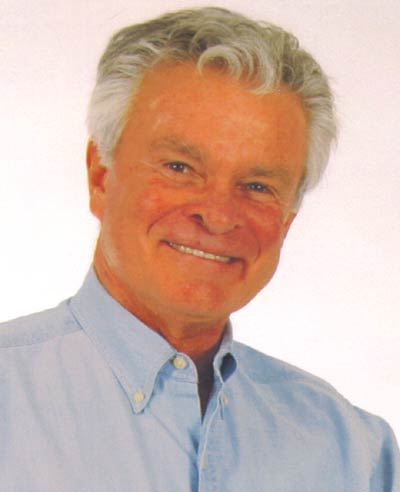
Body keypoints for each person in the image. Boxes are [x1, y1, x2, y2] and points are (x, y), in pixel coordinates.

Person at [0, 6, 398, 491]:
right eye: (179, 167)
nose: (218, 214)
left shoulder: (352, 452)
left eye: (257, 186)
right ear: (100, 177)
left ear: (288, 220)